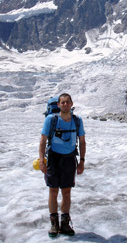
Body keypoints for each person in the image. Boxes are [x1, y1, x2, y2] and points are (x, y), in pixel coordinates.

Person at [39, 93, 86, 237]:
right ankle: (54, 223)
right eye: (62, 102)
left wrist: (82, 161)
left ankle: (65, 224)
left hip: (69, 159)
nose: (65, 105)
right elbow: (42, 140)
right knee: (53, 191)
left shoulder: (77, 121)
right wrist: (42, 159)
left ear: (71, 104)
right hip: (53, 159)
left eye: (67, 102)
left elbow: (82, 141)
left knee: (66, 192)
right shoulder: (51, 120)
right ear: (58, 105)